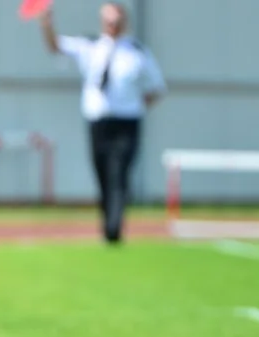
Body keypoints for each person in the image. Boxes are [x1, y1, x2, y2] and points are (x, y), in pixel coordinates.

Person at [39, 3, 166, 243]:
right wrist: (47, 24)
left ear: (124, 23)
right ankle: (108, 224)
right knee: (103, 174)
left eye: (116, 21)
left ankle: (113, 229)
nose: (112, 26)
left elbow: (157, 87)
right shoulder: (90, 46)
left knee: (119, 173)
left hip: (127, 122)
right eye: (108, 21)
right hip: (98, 123)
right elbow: (56, 46)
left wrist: (138, 105)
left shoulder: (137, 51)